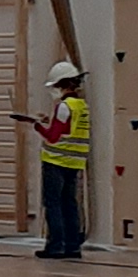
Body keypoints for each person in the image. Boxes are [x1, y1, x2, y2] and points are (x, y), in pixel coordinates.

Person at [29, 59, 92, 260]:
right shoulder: (81, 106)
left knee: (53, 204)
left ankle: (55, 246)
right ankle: (73, 246)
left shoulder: (64, 107)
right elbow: (68, 129)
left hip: (56, 161)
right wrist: (50, 121)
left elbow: (54, 137)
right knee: (70, 204)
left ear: (62, 84)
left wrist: (37, 125)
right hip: (74, 162)